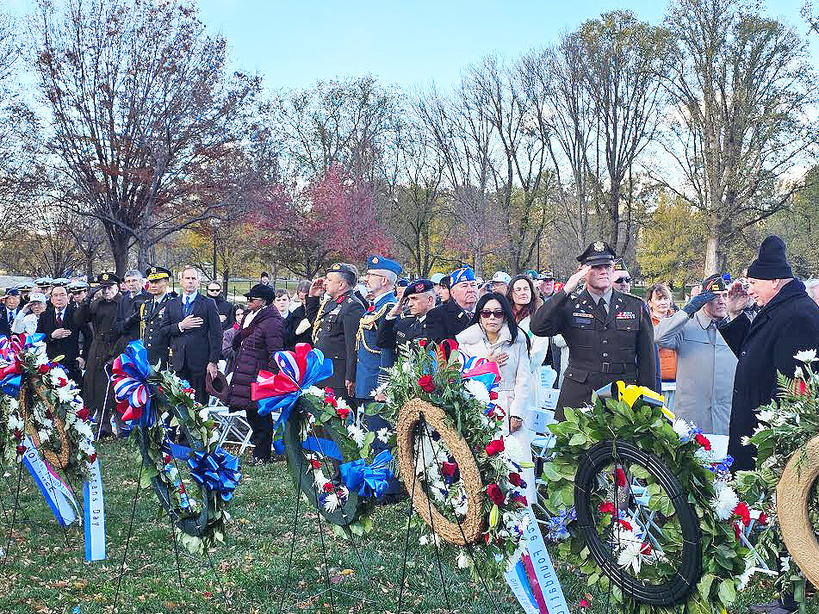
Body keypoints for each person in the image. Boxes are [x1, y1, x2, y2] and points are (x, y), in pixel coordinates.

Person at [720, 235, 819, 471]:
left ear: (774, 281)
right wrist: (735, 314)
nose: (749, 290)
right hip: (755, 434)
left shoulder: (798, 316)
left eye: (753, 283)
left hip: (769, 446)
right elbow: (755, 354)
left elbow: (793, 392)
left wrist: (771, 446)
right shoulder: (781, 308)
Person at [530, 241, 656, 419]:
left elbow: (648, 361)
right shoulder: (570, 305)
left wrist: (650, 403)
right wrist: (566, 289)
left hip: (623, 395)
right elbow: (537, 327)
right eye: (596, 267)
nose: (603, 271)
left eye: (607, 266)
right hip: (579, 393)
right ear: (583, 271)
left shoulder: (635, 306)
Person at [456, 292, 535, 504]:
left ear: (505, 315)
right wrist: (486, 363)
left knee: (513, 467)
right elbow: (459, 376)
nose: (492, 318)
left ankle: (517, 513)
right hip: (479, 409)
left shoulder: (517, 341)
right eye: (486, 313)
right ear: (480, 315)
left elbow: (524, 380)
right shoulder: (466, 343)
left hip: (509, 408)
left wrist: (517, 413)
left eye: (498, 313)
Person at [654, 275, 737, 435]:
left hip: (726, 418)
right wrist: (688, 310)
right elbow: (659, 337)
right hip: (692, 420)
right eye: (715, 296)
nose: (721, 301)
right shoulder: (686, 325)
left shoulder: (736, 326)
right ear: (704, 299)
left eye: (724, 295)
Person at [227, 284, 283, 464]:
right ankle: (258, 451)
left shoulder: (272, 321)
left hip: (260, 375)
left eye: (253, 299)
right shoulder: (249, 317)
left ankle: (262, 455)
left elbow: (275, 352)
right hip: (244, 371)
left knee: (260, 415)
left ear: (263, 302)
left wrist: (269, 378)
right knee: (251, 413)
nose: (248, 301)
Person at [160, 266, 221, 404]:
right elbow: (163, 330)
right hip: (179, 362)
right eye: (187, 278)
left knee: (199, 405)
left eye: (194, 278)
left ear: (199, 282)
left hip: (200, 363)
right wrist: (181, 326)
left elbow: (217, 335)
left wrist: (213, 361)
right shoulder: (171, 304)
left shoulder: (209, 303)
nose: (190, 281)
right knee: (179, 404)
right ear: (181, 281)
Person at [305, 263, 366, 399]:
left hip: (337, 376)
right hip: (322, 371)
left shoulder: (352, 305)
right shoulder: (332, 302)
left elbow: (353, 345)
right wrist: (313, 297)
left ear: (341, 285)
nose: (325, 283)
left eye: (329, 280)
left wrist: (351, 377)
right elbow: (315, 323)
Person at [74, 273, 122, 437]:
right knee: (95, 386)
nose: (106, 291)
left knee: (114, 387)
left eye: (109, 287)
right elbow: (79, 319)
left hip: (116, 346)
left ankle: (120, 426)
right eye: (103, 287)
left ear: (117, 287)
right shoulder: (97, 303)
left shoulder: (122, 303)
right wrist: (87, 299)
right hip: (97, 347)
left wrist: (116, 351)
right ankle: (103, 425)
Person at [356, 255, 402, 401]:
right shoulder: (376, 306)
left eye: (371, 275)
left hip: (376, 385)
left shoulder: (388, 308)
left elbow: (387, 350)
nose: (366, 279)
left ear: (384, 280)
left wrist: (384, 386)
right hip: (366, 380)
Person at [507, 275, 550, 411]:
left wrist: (519, 369)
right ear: (511, 293)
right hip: (505, 379)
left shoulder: (538, 318)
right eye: (518, 289)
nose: (522, 292)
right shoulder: (504, 318)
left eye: (526, 289)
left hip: (528, 379)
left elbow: (538, 354)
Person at [37, 283, 83, 386]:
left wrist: (83, 357)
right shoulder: (45, 315)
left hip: (72, 364)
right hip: (50, 365)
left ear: (68, 297)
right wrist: (52, 336)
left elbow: (89, 336)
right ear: (51, 299)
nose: (59, 298)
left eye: (62, 295)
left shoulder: (77, 314)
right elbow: (38, 340)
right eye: (56, 295)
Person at [377, 279, 436, 353]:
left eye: (415, 299)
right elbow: (383, 343)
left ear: (430, 300)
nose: (409, 304)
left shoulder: (439, 325)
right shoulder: (406, 322)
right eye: (408, 299)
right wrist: (391, 315)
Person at [425, 266, 479, 344]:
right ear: (453, 293)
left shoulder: (487, 311)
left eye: (473, 285)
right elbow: (440, 349)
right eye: (464, 286)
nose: (470, 290)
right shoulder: (437, 315)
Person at [646, 283, 677, 411]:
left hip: (677, 383)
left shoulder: (677, 319)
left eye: (666, 298)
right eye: (659, 299)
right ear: (650, 303)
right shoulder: (646, 322)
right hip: (657, 381)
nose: (663, 302)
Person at [140, 266, 175, 369]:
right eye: (151, 282)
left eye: (158, 282)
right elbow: (143, 332)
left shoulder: (173, 304)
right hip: (148, 357)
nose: (154, 285)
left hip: (165, 357)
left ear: (166, 282)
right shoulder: (146, 305)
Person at [114, 269, 150, 353]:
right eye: (128, 281)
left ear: (141, 282)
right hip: (125, 344)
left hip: (143, 344)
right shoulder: (122, 300)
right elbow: (117, 323)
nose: (131, 284)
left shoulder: (149, 298)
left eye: (134, 280)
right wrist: (127, 322)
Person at [285, 280, 312, 349]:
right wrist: (296, 332)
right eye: (302, 299)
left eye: (307, 299)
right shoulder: (296, 313)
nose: (305, 302)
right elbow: (288, 337)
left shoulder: (322, 310)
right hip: (299, 351)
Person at [222, 303, 246, 375]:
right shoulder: (228, 333)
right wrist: (242, 352)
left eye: (242, 314)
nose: (240, 317)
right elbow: (226, 351)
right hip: (233, 368)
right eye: (238, 315)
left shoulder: (253, 330)